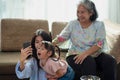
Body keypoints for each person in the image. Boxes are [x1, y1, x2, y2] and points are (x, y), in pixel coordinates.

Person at [52, 0, 117, 80]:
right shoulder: (73, 24)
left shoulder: (99, 25)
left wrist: (85, 53)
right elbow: (62, 37)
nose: (79, 15)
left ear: (91, 13)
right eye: (78, 12)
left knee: (111, 61)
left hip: (95, 54)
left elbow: (99, 44)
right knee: (89, 61)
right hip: (75, 55)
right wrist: (50, 44)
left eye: (82, 12)